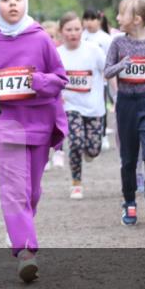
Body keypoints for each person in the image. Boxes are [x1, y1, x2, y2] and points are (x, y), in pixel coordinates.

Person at [0, 0, 68, 282]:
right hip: (6, 127)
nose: (12, 4)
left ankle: (18, 228)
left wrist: (38, 81)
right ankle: (26, 251)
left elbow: (60, 78)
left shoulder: (41, 39)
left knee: (31, 191)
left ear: (26, 3)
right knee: (14, 190)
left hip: (39, 123)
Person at [103, 0, 145, 225]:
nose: (118, 18)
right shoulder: (117, 43)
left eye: (121, 13)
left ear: (137, 19)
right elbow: (107, 71)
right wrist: (123, 64)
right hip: (125, 105)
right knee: (129, 159)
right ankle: (130, 202)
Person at [56, 11, 106, 200]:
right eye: (69, 29)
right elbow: (52, 79)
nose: (73, 33)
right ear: (61, 32)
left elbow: (107, 71)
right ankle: (76, 183)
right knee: (76, 142)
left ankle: (90, 151)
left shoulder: (93, 50)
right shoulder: (57, 54)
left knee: (93, 149)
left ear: (82, 30)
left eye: (77, 29)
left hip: (94, 107)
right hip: (70, 106)